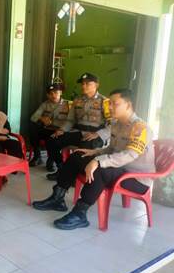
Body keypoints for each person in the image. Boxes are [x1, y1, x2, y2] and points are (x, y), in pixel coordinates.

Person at [32, 89, 155, 230]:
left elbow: (129, 155)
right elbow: (111, 150)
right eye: (110, 104)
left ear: (128, 105)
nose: (110, 107)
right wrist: (94, 152)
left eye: (115, 104)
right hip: (118, 168)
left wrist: (98, 161)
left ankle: (80, 213)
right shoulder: (116, 124)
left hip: (136, 178)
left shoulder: (140, 128)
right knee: (78, 156)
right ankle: (57, 198)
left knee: (100, 170)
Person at [46, 73, 110, 181]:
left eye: (87, 83)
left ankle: (72, 176)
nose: (83, 86)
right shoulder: (77, 100)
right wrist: (62, 130)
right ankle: (62, 169)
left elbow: (113, 124)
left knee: (81, 152)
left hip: (95, 136)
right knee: (52, 141)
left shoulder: (105, 102)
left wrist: (98, 134)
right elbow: (70, 120)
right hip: (79, 132)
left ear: (96, 85)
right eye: (82, 84)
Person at [29, 84, 71, 170]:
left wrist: (62, 129)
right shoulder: (45, 104)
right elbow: (33, 117)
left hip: (60, 131)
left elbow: (71, 121)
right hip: (48, 129)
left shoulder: (68, 105)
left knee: (52, 140)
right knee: (33, 130)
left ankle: (51, 159)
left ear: (61, 92)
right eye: (51, 93)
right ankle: (37, 156)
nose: (53, 95)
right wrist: (42, 118)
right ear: (48, 95)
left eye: (56, 92)